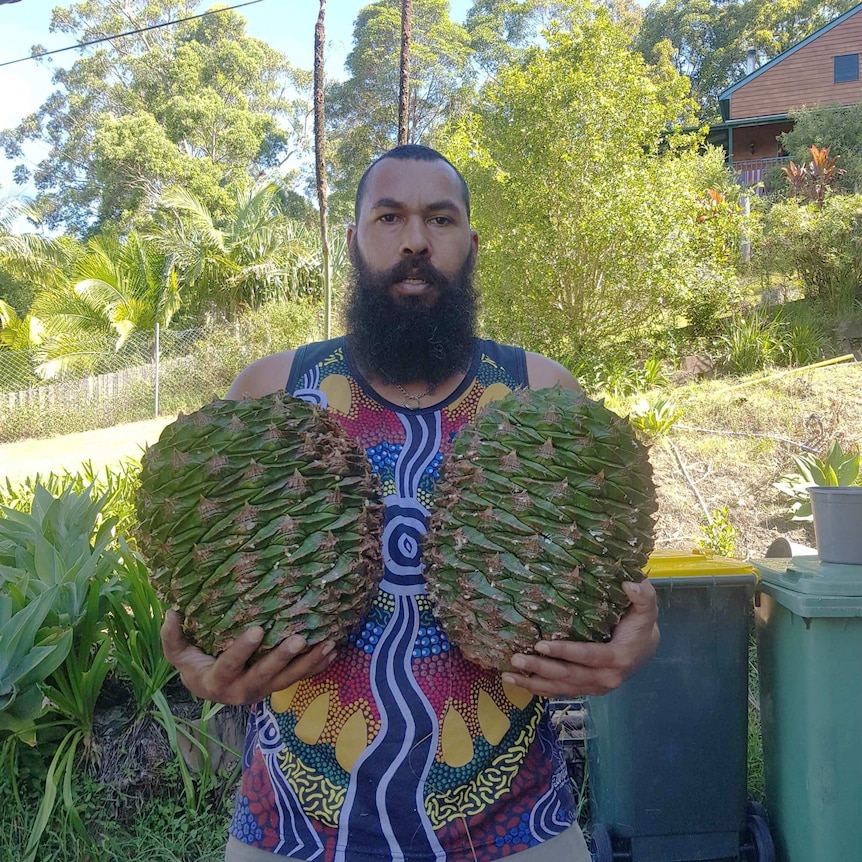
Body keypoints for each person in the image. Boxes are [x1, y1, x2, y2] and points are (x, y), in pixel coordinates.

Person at [161, 144, 660, 862]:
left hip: (517, 827)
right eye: (389, 217)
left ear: (471, 244)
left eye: (441, 218)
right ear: (355, 240)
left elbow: (612, 591)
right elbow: (202, 592)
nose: (416, 241)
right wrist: (200, 665)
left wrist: (639, 639)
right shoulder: (269, 395)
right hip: (294, 831)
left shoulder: (543, 396)